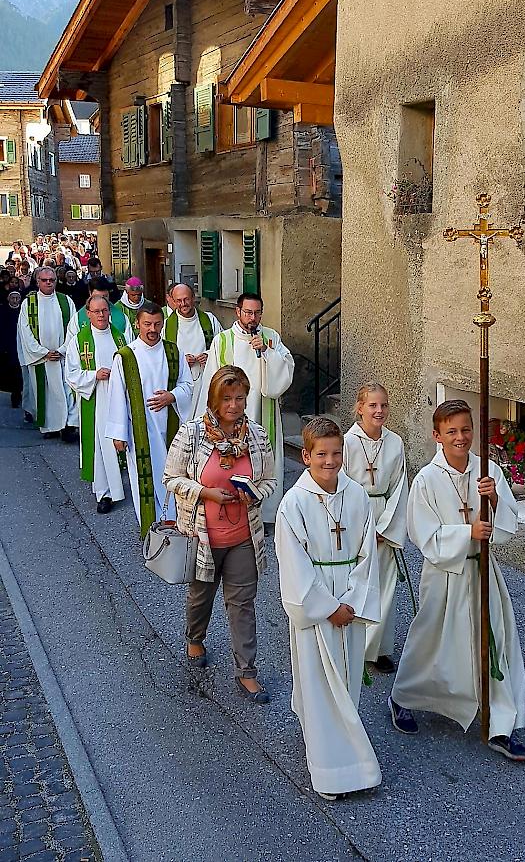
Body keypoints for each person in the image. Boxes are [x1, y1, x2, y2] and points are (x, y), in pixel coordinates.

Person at [388, 399, 525, 762]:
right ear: (437, 435)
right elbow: (424, 534)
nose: (461, 437)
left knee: (492, 638)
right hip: (445, 574)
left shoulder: (488, 471)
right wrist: (468, 531)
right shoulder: (427, 480)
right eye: (451, 431)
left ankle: (500, 723)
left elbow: (510, 522)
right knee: (433, 640)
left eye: (466, 429)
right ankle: (404, 696)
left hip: (483, 570)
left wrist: (494, 498)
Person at [275, 416, 381, 801]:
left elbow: (368, 553)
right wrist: (327, 607)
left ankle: (345, 751)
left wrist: (352, 600)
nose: (330, 461)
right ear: (306, 455)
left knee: (348, 678)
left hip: (350, 601)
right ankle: (329, 771)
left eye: (337, 453)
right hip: (318, 604)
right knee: (320, 685)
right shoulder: (294, 504)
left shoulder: (356, 496)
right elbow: (294, 564)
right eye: (321, 454)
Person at [163, 366, 275, 700]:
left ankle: (246, 672)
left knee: (242, 604)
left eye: (240, 398)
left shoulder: (256, 435)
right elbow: (170, 478)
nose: (234, 405)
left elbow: (270, 481)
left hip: (243, 535)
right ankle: (195, 637)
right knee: (201, 597)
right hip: (203, 536)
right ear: (214, 398)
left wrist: (255, 492)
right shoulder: (192, 433)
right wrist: (205, 492)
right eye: (227, 398)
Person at [196, 293, 294, 529]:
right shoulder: (222, 341)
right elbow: (211, 380)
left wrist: (268, 353)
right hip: (229, 416)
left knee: (263, 457)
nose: (253, 318)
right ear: (237, 312)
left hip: (263, 411)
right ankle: (232, 511)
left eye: (257, 313)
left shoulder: (270, 337)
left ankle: (266, 513)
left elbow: (287, 368)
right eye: (248, 312)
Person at [105, 301, 192, 536]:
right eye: (147, 324)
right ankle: (150, 531)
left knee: (174, 477)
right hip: (139, 431)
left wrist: (172, 396)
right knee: (143, 480)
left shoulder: (173, 351)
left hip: (170, 429)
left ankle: (174, 529)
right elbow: (116, 396)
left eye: (157, 324)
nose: (152, 329)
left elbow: (187, 385)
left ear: (163, 323)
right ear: (137, 324)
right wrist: (118, 434)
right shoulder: (126, 356)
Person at [343, 382, 408, 674]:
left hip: (385, 516)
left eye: (383, 405)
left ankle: (378, 649)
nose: (379, 410)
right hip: (355, 517)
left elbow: (399, 488)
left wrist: (386, 527)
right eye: (372, 405)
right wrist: (359, 527)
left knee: (385, 586)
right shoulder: (346, 443)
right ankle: (352, 644)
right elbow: (340, 485)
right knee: (356, 584)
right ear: (360, 408)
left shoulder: (395, 443)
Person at [65, 294, 128, 514]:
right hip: (96, 399)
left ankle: (119, 484)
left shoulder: (120, 338)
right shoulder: (79, 340)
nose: (101, 315)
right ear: (88, 314)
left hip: (118, 398)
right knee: (100, 447)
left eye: (104, 310)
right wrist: (94, 375)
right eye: (96, 311)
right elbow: (71, 374)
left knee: (117, 440)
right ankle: (104, 493)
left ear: (109, 312)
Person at [16, 267, 78, 440]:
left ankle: (68, 426)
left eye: (52, 280)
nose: (49, 283)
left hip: (61, 357)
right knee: (46, 394)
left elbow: (73, 330)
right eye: (45, 280)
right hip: (42, 359)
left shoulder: (66, 301)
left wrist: (62, 350)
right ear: (38, 282)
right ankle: (49, 427)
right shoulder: (29, 304)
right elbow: (25, 332)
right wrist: (43, 353)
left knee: (66, 391)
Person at [163, 284, 222, 417]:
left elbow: (221, 346)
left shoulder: (210, 320)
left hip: (205, 378)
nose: (183, 304)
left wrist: (209, 355)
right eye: (178, 300)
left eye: (186, 299)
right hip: (181, 383)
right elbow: (162, 354)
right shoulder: (167, 325)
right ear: (173, 301)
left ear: (193, 298)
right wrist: (181, 360)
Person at [66, 278, 133, 346]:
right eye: (97, 297)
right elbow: (70, 345)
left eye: (105, 297)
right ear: (90, 293)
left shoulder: (121, 318)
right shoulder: (78, 318)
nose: (101, 301)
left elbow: (130, 344)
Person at [0, 288, 23, 407]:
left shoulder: (23, 311)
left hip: (20, 346)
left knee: (18, 375)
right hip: (7, 347)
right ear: (8, 299)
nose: (15, 300)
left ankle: (17, 396)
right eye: (13, 298)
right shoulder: (2, 311)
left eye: (17, 298)